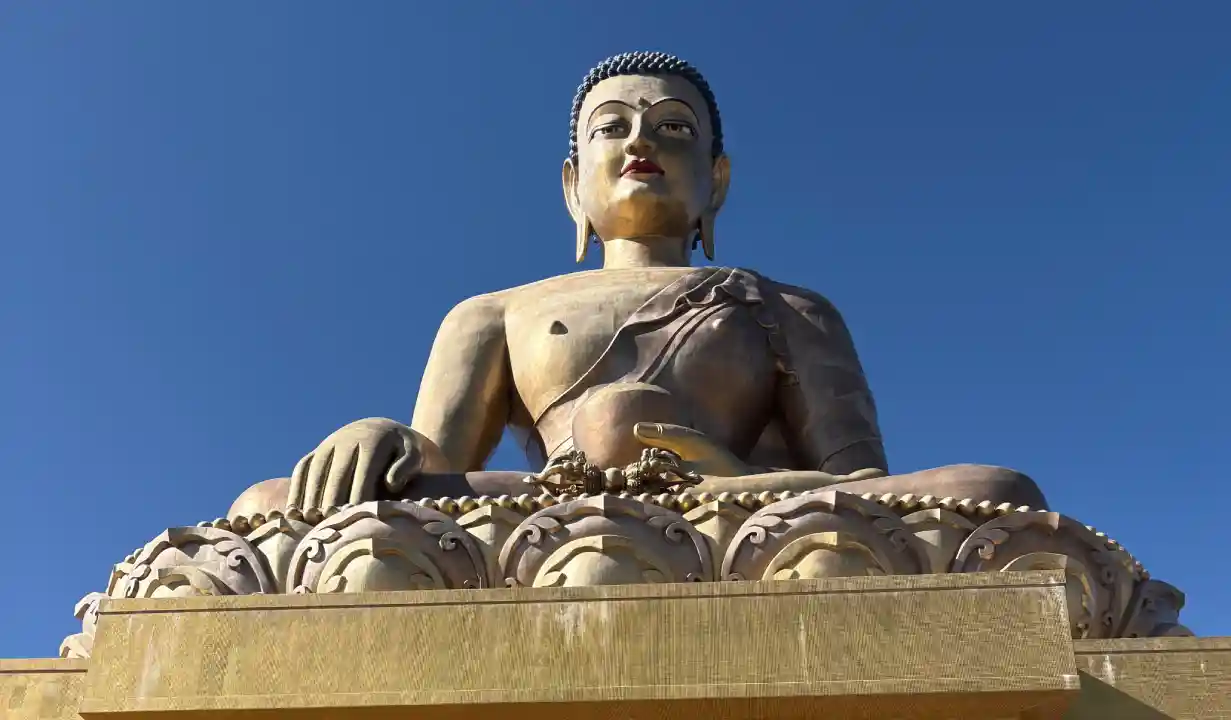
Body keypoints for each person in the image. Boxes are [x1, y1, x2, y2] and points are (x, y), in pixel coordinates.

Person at [230, 52, 1046, 521]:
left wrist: (722, 478)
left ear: (716, 182)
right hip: (544, 508)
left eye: (673, 129)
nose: (639, 143)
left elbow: (862, 489)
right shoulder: (494, 313)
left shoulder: (786, 307)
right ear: (570, 185)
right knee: (271, 506)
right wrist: (385, 439)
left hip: (746, 510)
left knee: (995, 496)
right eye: (610, 128)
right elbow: (433, 469)